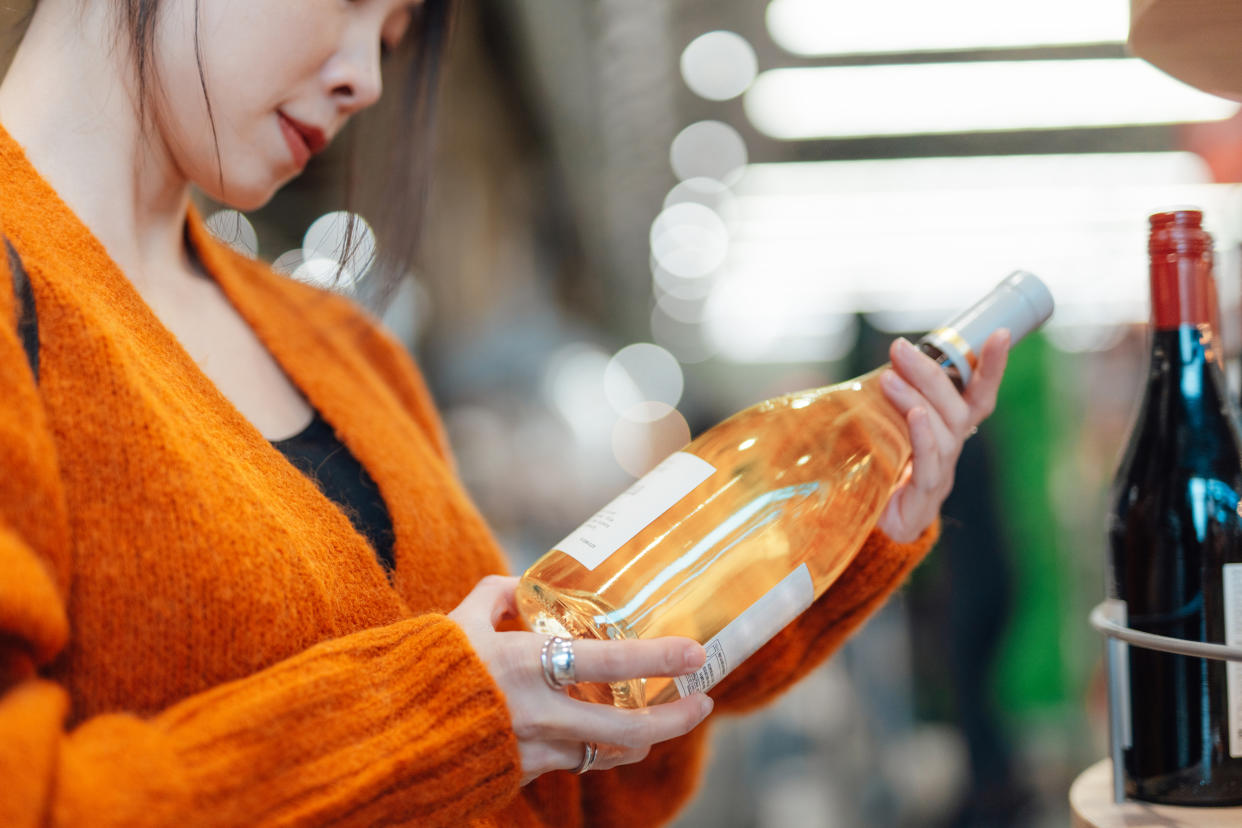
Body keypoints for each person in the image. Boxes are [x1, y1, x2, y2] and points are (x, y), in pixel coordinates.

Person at [0, 0, 1011, 825]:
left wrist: (853, 512)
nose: (367, 78)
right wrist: (444, 717)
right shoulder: (24, 291)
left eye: (393, 34)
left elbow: (565, 775)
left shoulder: (346, 353)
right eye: (352, 5)